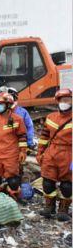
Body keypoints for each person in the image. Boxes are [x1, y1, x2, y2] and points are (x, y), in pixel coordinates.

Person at [0, 92, 27, 199]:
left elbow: (22, 137)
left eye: (1, 103)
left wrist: (23, 151)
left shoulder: (17, 119)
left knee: (13, 181)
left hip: (11, 155)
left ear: (8, 105)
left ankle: (14, 198)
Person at [37, 88, 72, 221]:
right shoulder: (50, 117)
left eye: (68, 99)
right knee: (47, 182)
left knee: (67, 185)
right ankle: (49, 207)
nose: (65, 102)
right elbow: (45, 137)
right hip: (51, 153)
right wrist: (40, 153)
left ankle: (63, 209)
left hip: (69, 154)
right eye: (62, 100)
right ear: (57, 101)